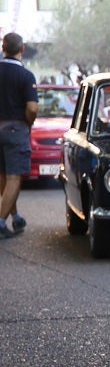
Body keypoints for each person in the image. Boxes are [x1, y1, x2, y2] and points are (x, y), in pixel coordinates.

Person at [0, 32, 39, 239]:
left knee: (4, 176)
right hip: (15, 129)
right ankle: (0, 221)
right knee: (14, 177)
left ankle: (15, 217)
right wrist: (27, 123)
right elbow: (32, 108)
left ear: (3, 48)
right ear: (22, 49)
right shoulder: (25, 76)